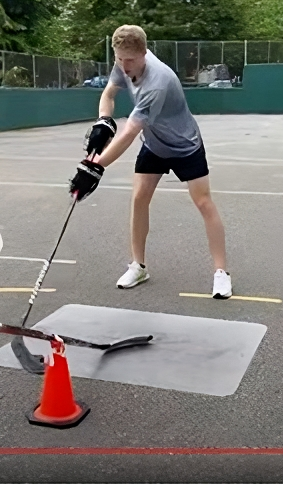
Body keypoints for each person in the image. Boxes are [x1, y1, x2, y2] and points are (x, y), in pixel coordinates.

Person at [71, 25, 232, 297]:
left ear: (144, 53)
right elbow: (109, 94)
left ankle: (221, 273)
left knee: (204, 202)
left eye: (130, 60)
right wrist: (103, 121)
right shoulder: (123, 63)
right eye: (119, 59)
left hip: (184, 144)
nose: (124, 65)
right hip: (154, 144)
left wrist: (95, 166)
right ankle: (138, 266)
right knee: (139, 199)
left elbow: (130, 133)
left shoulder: (157, 82)